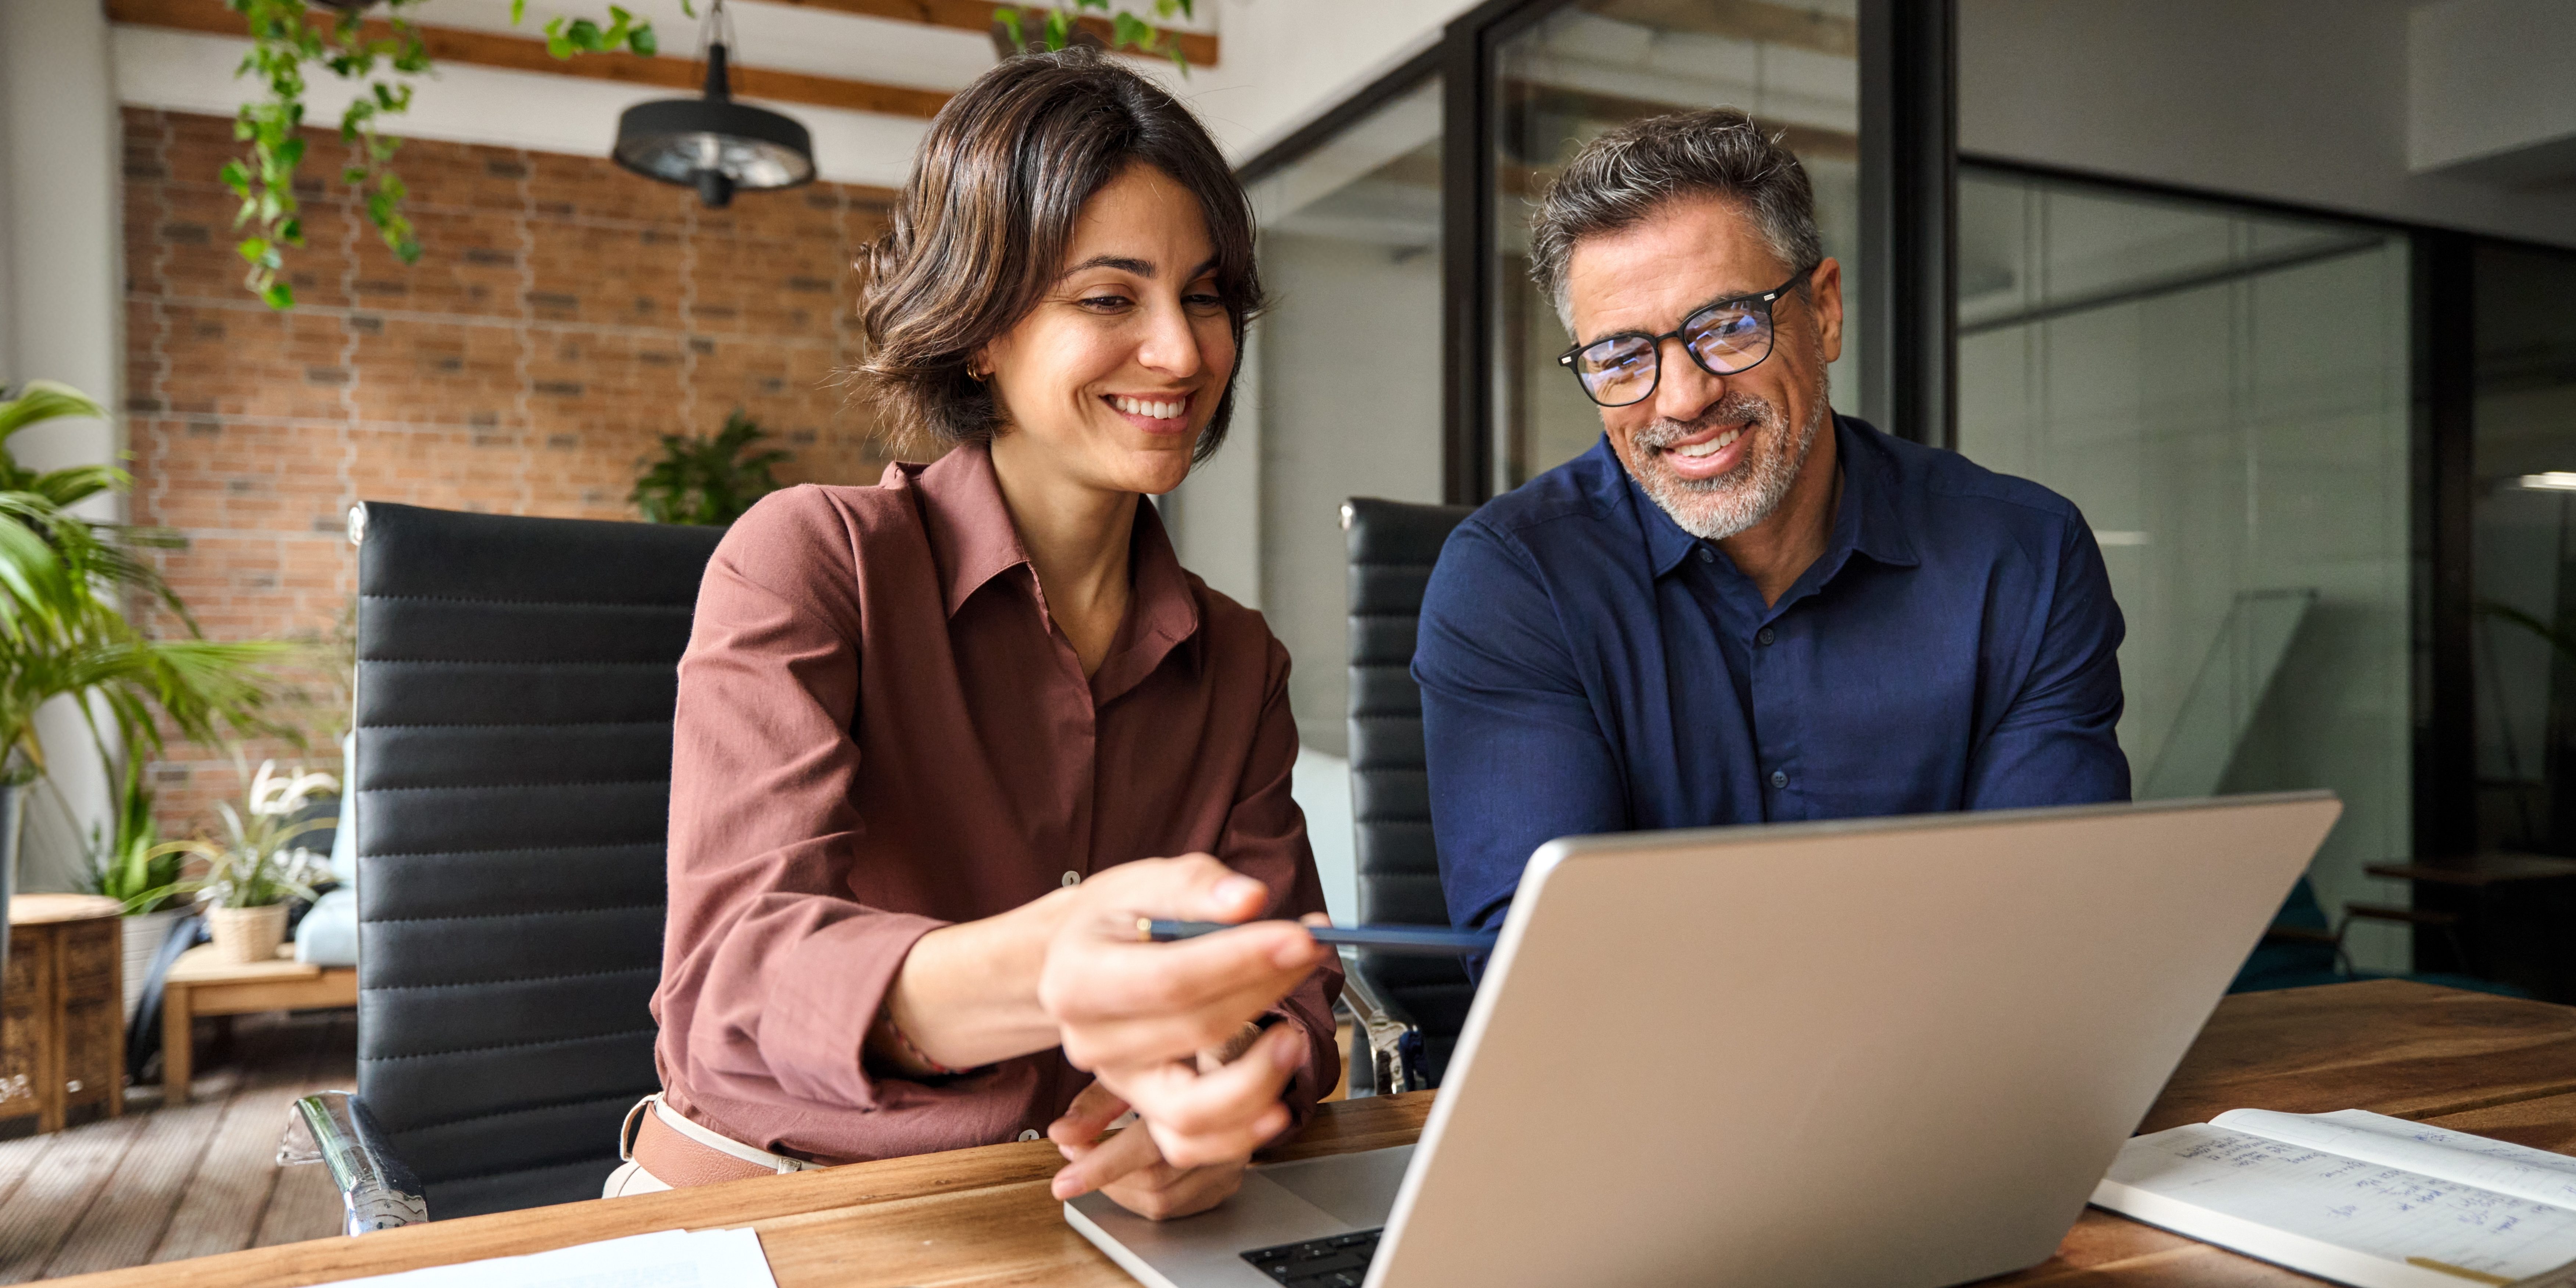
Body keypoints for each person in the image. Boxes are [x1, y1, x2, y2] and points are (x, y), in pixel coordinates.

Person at [625, 50, 1340, 1221]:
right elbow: (731, 982)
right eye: (1110, 298)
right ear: (980, 331)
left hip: (1070, 1218)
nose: (1181, 351)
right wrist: (1038, 975)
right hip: (775, 1210)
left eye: (1203, 295)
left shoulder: (1239, 659)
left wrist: (1221, 1102)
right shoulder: (810, 562)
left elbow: (1288, 987)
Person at [1416, 108, 2130, 942]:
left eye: (1725, 328)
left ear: (1823, 312)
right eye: (1620, 357)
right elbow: (1543, 965)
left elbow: (2049, 928)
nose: (1682, 399)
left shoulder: (2024, 559)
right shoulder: (1514, 582)